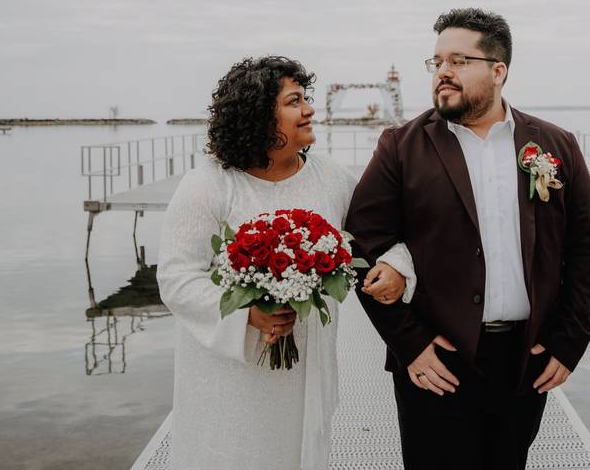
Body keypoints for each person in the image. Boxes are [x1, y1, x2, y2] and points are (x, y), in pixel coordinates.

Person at [346, 8, 590, 470]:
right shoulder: (400, 147)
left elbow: (586, 252)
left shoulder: (556, 145)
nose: (443, 72)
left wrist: (570, 342)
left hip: (526, 360)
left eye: (458, 60)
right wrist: (409, 343)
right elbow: (360, 249)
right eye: (436, 62)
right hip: (435, 359)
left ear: (498, 70)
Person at [157, 56, 410, 470]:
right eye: (294, 101)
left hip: (306, 363)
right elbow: (177, 277)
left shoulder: (331, 178)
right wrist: (248, 314)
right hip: (228, 369)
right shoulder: (209, 184)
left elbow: (378, 236)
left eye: (306, 98)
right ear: (259, 116)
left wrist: (397, 264)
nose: (309, 109)